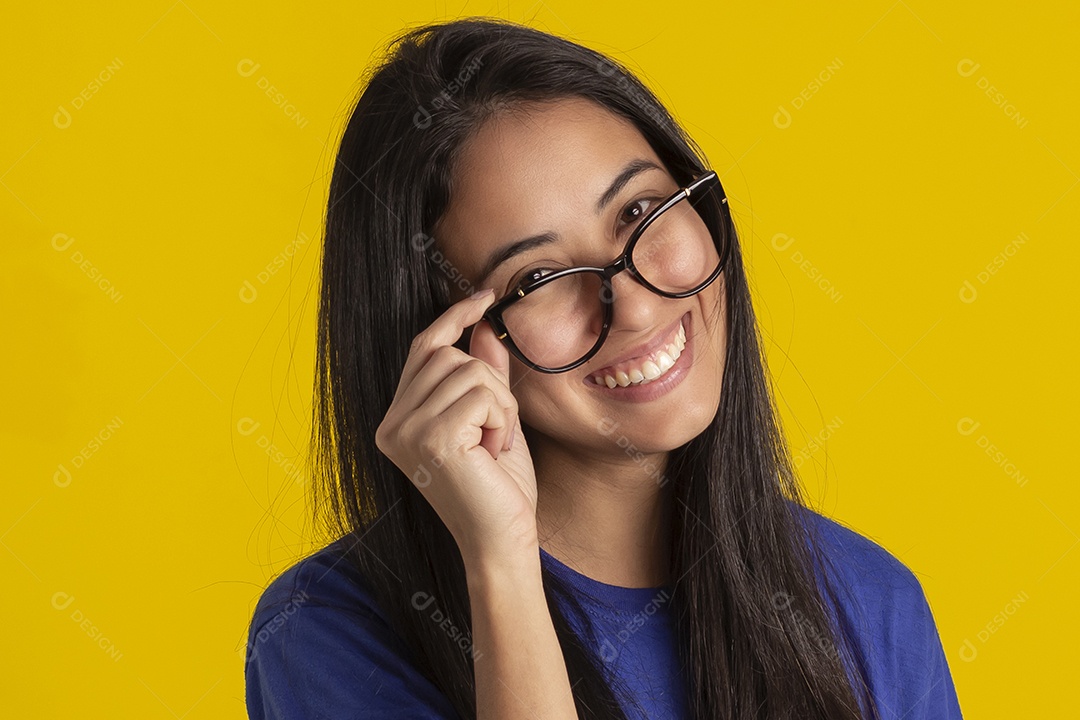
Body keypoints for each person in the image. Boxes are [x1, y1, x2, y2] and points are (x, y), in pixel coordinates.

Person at [244, 16, 963, 720]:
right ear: (446, 347)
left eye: (641, 209)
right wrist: (502, 563)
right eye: (537, 279)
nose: (636, 308)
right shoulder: (324, 636)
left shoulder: (870, 604)